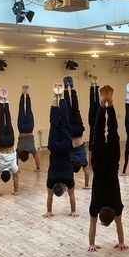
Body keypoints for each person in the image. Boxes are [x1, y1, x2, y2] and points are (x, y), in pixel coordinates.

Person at [88, 85, 127, 252]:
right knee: (97, 131)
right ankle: (104, 102)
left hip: (111, 162)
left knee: (113, 131)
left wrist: (121, 242)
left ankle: (109, 104)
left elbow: (119, 224)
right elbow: (92, 225)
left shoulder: (116, 206)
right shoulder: (96, 206)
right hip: (98, 163)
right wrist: (90, 243)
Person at [44, 83, 79, 217]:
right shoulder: (50, 181)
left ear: (64, 188)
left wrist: (73, 211)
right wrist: (49, 210)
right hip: (53, 147)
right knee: (54, 123)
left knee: (64, 121)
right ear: (54, 188)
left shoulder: (68, 180)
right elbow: (49, 197)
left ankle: (62, 96)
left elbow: (72, 196)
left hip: (65, 147)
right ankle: (55, 97)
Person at [64, 76, 90, 189]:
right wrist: (66, 184)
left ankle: (72, 87)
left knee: (75, 108)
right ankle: (66, 88)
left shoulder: (83, 161)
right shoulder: (70, 160)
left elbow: (87, 172)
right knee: (68, 109)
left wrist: (87, 185)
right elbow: (68, 173)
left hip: (78, 131)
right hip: (71, 132)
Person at [0, 88, 19, 196]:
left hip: (10, 143)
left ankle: (6, 100)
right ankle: (1, 100)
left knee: (8, 120)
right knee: (0, 120)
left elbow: (16, 178)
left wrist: (16, 191)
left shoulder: (13, 167)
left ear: (9, 173)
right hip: (1, 143)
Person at [16, 85, 41, 171]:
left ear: (27, 155)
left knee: (29, 110)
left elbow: (37, 158)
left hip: (29, 128)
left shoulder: (31, 149)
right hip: (21, 129)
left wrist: (38, 168)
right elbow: (15, 159)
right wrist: (16, 168)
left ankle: (27, 94)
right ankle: (23, 94)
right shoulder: (18, 150)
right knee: (21, 110)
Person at [87, 75, 100, 169]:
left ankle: (93, 86)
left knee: (92, 103)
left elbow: (90, 152)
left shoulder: (93, 142)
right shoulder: (98, 143)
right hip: (96, 123)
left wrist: (90, 164)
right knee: (96, 103)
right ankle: (95, 86)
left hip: (92, 123)